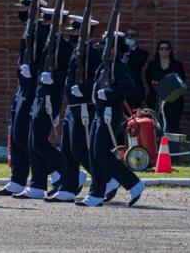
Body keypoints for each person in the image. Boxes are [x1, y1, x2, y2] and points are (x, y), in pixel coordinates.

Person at [0, 0, 49, 197]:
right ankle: (17, 179)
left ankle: (52, 171)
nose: (20, 11)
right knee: (16, 135)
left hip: (33, 87)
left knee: (24, 136)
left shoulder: (42, 31)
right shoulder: (28, 29)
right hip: (22, 86)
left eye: (25, 8)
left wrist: (35, 70)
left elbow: (49, 58)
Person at [77, 32, 145, 207]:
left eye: (106, 45)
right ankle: (96, 194)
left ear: (114, 49)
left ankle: (133, 183)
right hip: (100, 112)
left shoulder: (117, 66)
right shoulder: (105, 65)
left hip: (109, 114)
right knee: (94, 153)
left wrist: (110, 93)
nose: (102, 48)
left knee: (101, 153)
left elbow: (129, 86)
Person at [17, 6, 71, 200]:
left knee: (39, 142)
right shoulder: (50, 43)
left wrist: (54, 78)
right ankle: (38, 185)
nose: (44, 25)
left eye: (48, 21)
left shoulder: (62, 46)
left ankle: (69, 173)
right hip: (40, 95)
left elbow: (69, 74)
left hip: (50, 97)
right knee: (33, 143)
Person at [49, 14, 100, 203]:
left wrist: (84, 89)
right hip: (72, 106)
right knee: (67, 149)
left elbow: (99, 79)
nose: (71, 34)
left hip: (85, 106)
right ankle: (68, 188)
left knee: (80, 149)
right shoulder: (78, 51)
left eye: (75, 30)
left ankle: (106, 178)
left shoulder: (93, 53)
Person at [146, 40, 186, 133]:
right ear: (158, 51)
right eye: (161, 49)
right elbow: (149, 81)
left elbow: (182, 81)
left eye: (166, 49)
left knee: (174, 126)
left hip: (174, 100)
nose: (164, 51)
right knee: (157, 126)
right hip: (156, 100)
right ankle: (158, 147)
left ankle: (174, 147)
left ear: (170, 51)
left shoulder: (177, 65)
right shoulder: (152, 65)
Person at [122, 27, 149, 110]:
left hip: (134, 92)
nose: (129, 37)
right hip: (120, 90)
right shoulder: (119, 52)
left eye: (132, 35)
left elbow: (139, 63)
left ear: (137, 38)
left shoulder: (143, 53)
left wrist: (131, 49)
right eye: (127, 35)